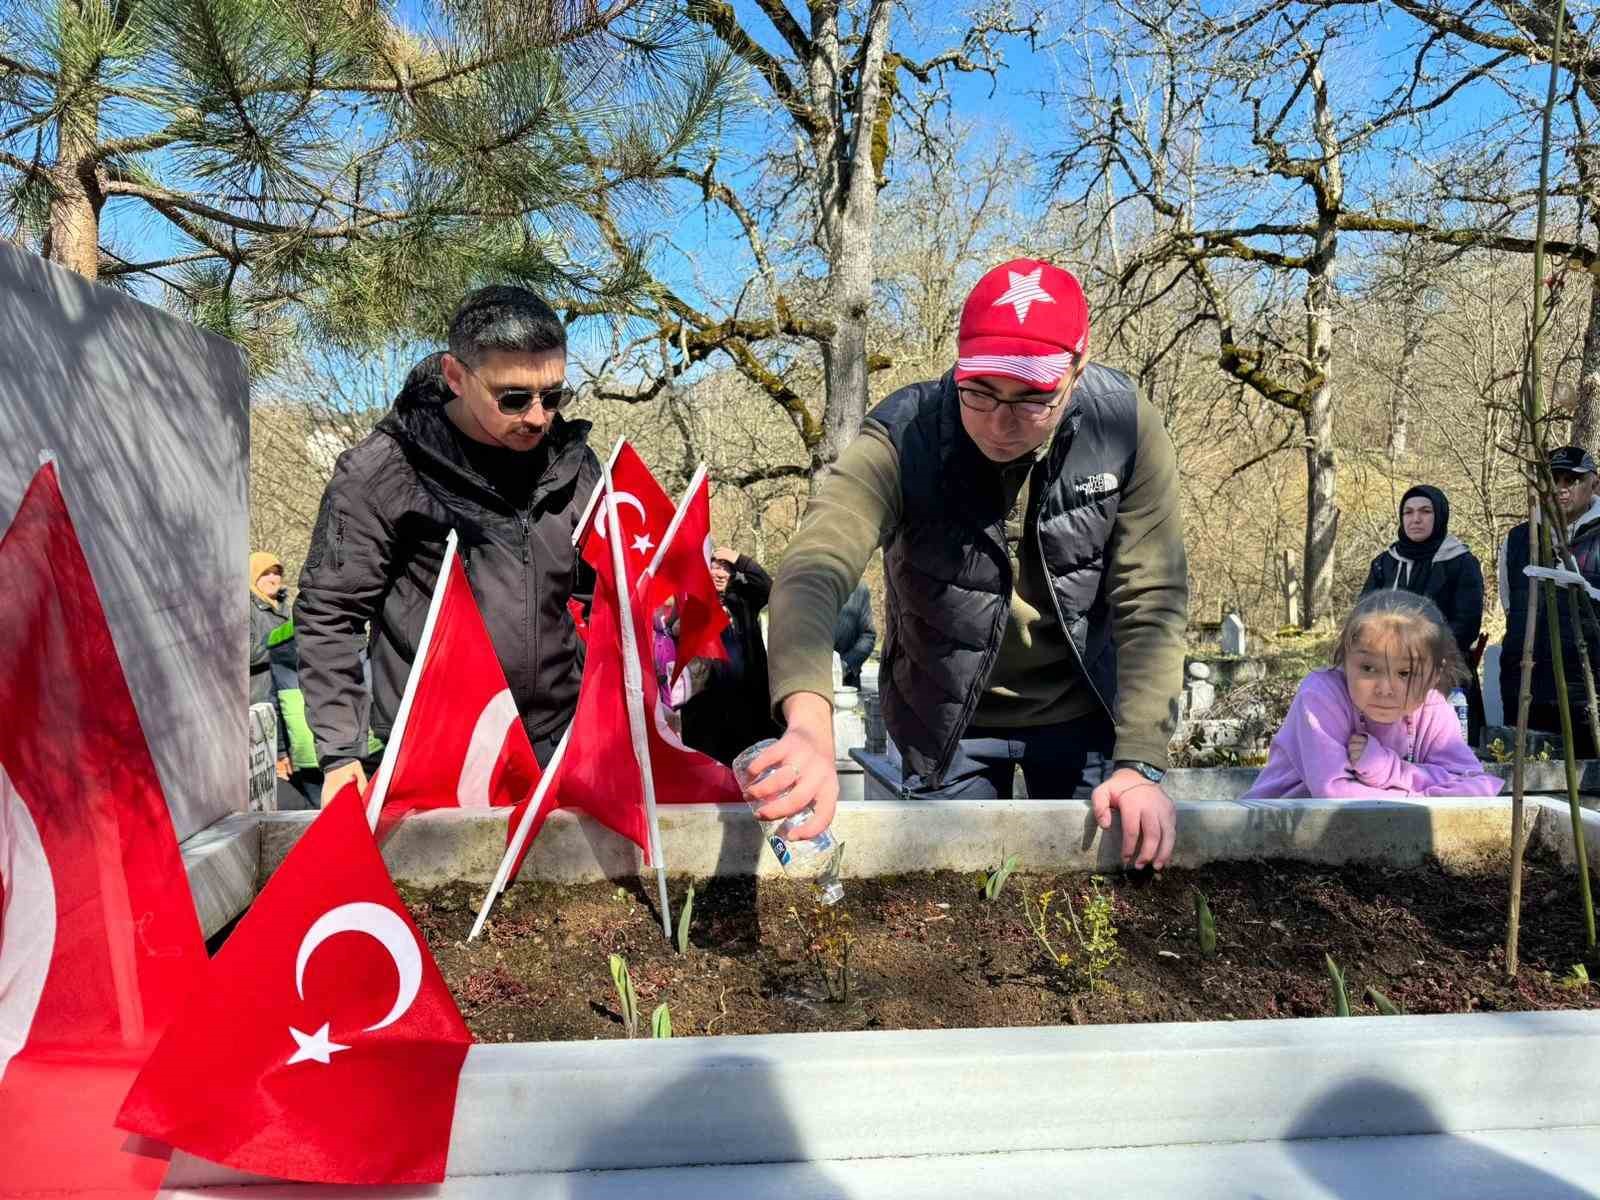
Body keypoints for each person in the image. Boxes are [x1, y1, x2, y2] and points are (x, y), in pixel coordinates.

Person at [752, 258, 1188, 871]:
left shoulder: (1125, 426)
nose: (1001, 424)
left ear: (1076, 371)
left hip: (1083, 708)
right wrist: (807, 719)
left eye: (1032, 398)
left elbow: (1153, 594)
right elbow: (815, 565)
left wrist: (1140, 761)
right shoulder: (904, 436)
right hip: (944, 718)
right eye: (980, 392)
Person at [295, 286, 600, 798]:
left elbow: (607, 592)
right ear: (456, 376)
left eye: (553, 396)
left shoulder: (572, 463)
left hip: (557, 739)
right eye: (514, 398)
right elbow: (330, 611)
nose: (537, 417)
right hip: (434, 747)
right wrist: (341, 754)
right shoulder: (383, 470)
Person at [1244, 591, 1502, 799]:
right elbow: (1333, 792)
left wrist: (1391, 769)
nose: (1385, 688)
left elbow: (1476, 787)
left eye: (1405, 673)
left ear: (1435, 674)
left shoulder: (1432, 707)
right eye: (1368, 668)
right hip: (1275, 837)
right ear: (1345, 661)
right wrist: (1426, 793)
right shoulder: (1321, 696)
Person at [1359, 485, 1485, 744]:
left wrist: (1419, 652)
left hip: (1444, 673)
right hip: (1389, 673)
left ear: (1439, 515)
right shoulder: (1385, 563)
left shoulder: (1461, 562)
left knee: (1444, 759)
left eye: (1425, 511)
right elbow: (1364, 616)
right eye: (1408, 512)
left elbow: (1466, 624)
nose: (1416, 519)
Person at [1498, 445, 1600, 756]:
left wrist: (1583, 592)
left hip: (1587, 690)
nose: (1561, 489)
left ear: (1593, 484)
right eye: (1553, 479)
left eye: (1572, 480)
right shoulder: (1519, 539)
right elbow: (1508, 601)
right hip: (1525, 686)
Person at [677, 546, 782, 764]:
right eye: (713, 567)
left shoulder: (744, 600)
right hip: (706, 703)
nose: (718, 573)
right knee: (710, 764)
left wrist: (738, 558)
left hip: (748, 700)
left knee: (751, 762)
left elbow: (769, 587)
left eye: (725, 567)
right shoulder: (691, 600)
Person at [249, 552, 292, 782]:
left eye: (277, 572)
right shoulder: (247, 608)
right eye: (266, 573)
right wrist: (282, 646)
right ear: (253, 576)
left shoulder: (285, 607)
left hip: (286, 696)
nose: (273, 578)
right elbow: (246, 654)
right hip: (260, 698)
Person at [832, 581, 876, 690]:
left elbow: (868, 635)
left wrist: (846, 665)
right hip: (809, 683)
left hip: (847, 683)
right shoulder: (804, 585)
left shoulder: (859, 589)